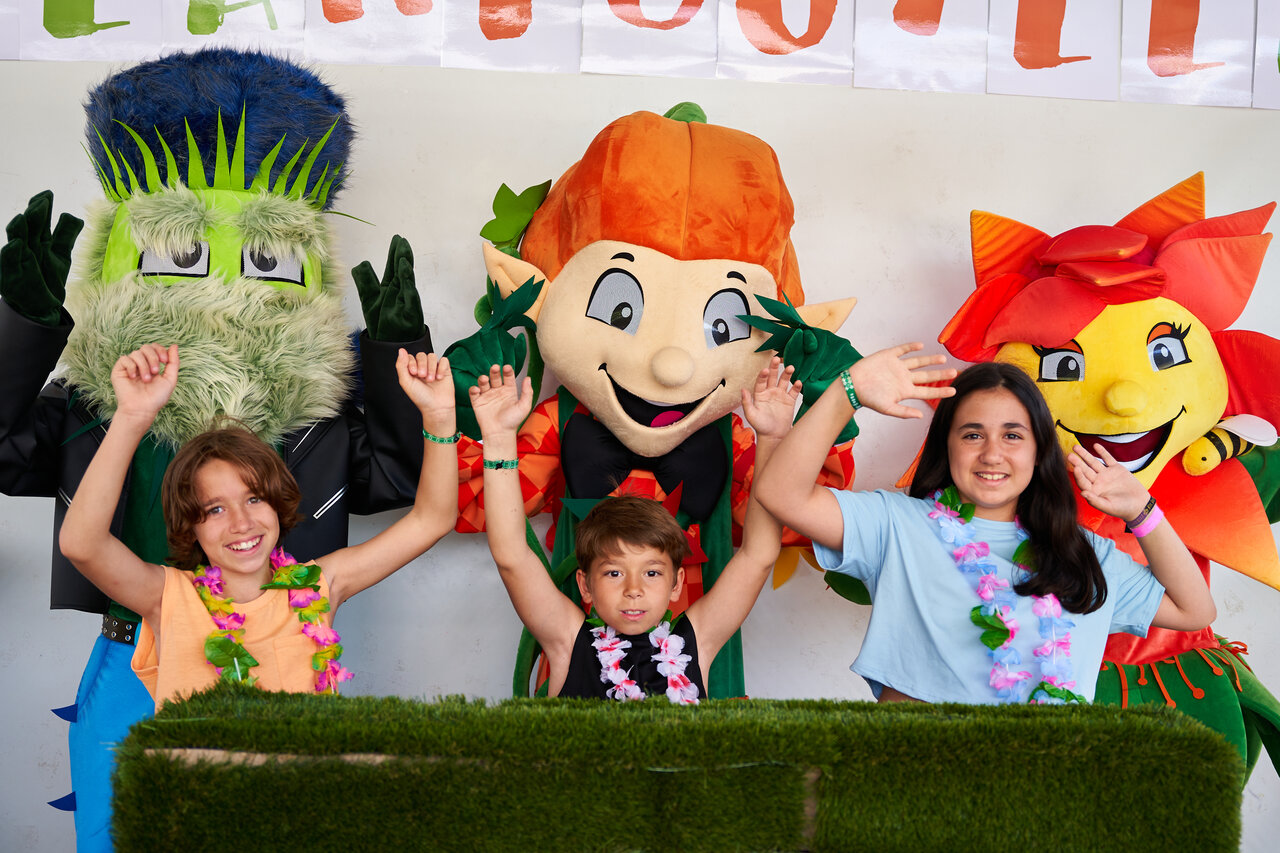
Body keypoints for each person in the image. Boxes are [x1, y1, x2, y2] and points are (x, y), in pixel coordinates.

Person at [754, 347, 1217, 704]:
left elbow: (1194, 611)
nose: (992, 454)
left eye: (1012, 435)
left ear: (1039, 452)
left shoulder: (1084, 554)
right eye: (972, 434)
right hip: (915, 773)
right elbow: (781, 494)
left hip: (1043, 782)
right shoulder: (895, 524)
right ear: (947, 446)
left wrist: (1142, 510)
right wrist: (848, 392)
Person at [59, 343, 458, 707]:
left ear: (277, 502)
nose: (242, 522)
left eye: (254, 499)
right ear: (190, 526)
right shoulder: (167, 599)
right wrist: (132, 417)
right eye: (215, 509)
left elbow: (432, 520)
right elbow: (82, 544)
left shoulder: (318, 586)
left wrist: (439, 418)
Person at [471, 358, 799, 700]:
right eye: (613, 573)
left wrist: (773, 437)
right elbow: (511, 555)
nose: (633, 589)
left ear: (676, 584)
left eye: (652, 573)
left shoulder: (698, 641)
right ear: (585, 584)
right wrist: (498, 438)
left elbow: (758, 555)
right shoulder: (566, 641)